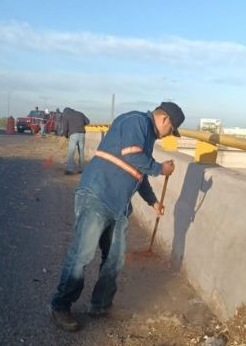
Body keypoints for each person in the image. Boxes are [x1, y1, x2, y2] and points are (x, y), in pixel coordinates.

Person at [48, 101, 184, 331]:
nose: (169, 135)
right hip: (97, 194)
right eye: (171, 130)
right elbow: (133, 156)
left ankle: (100, 305)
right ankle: (60, 306)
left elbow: (139, 173)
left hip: (119, 205)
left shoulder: (147, 137)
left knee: (115, 258)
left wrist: (152, 201)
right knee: (82, 254)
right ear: (165, 120)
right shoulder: (137, 121)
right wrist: (160, 169)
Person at [61, 107, 90, 175]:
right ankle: (82, 169)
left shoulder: (66, 116)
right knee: (81, 152)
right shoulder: (80, 113)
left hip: (73, 134)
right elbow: (88, 122)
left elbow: (65, 128)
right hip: (82, 134)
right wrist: (80, 125)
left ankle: (70, 169)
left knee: (71, 152)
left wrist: (66, 135)